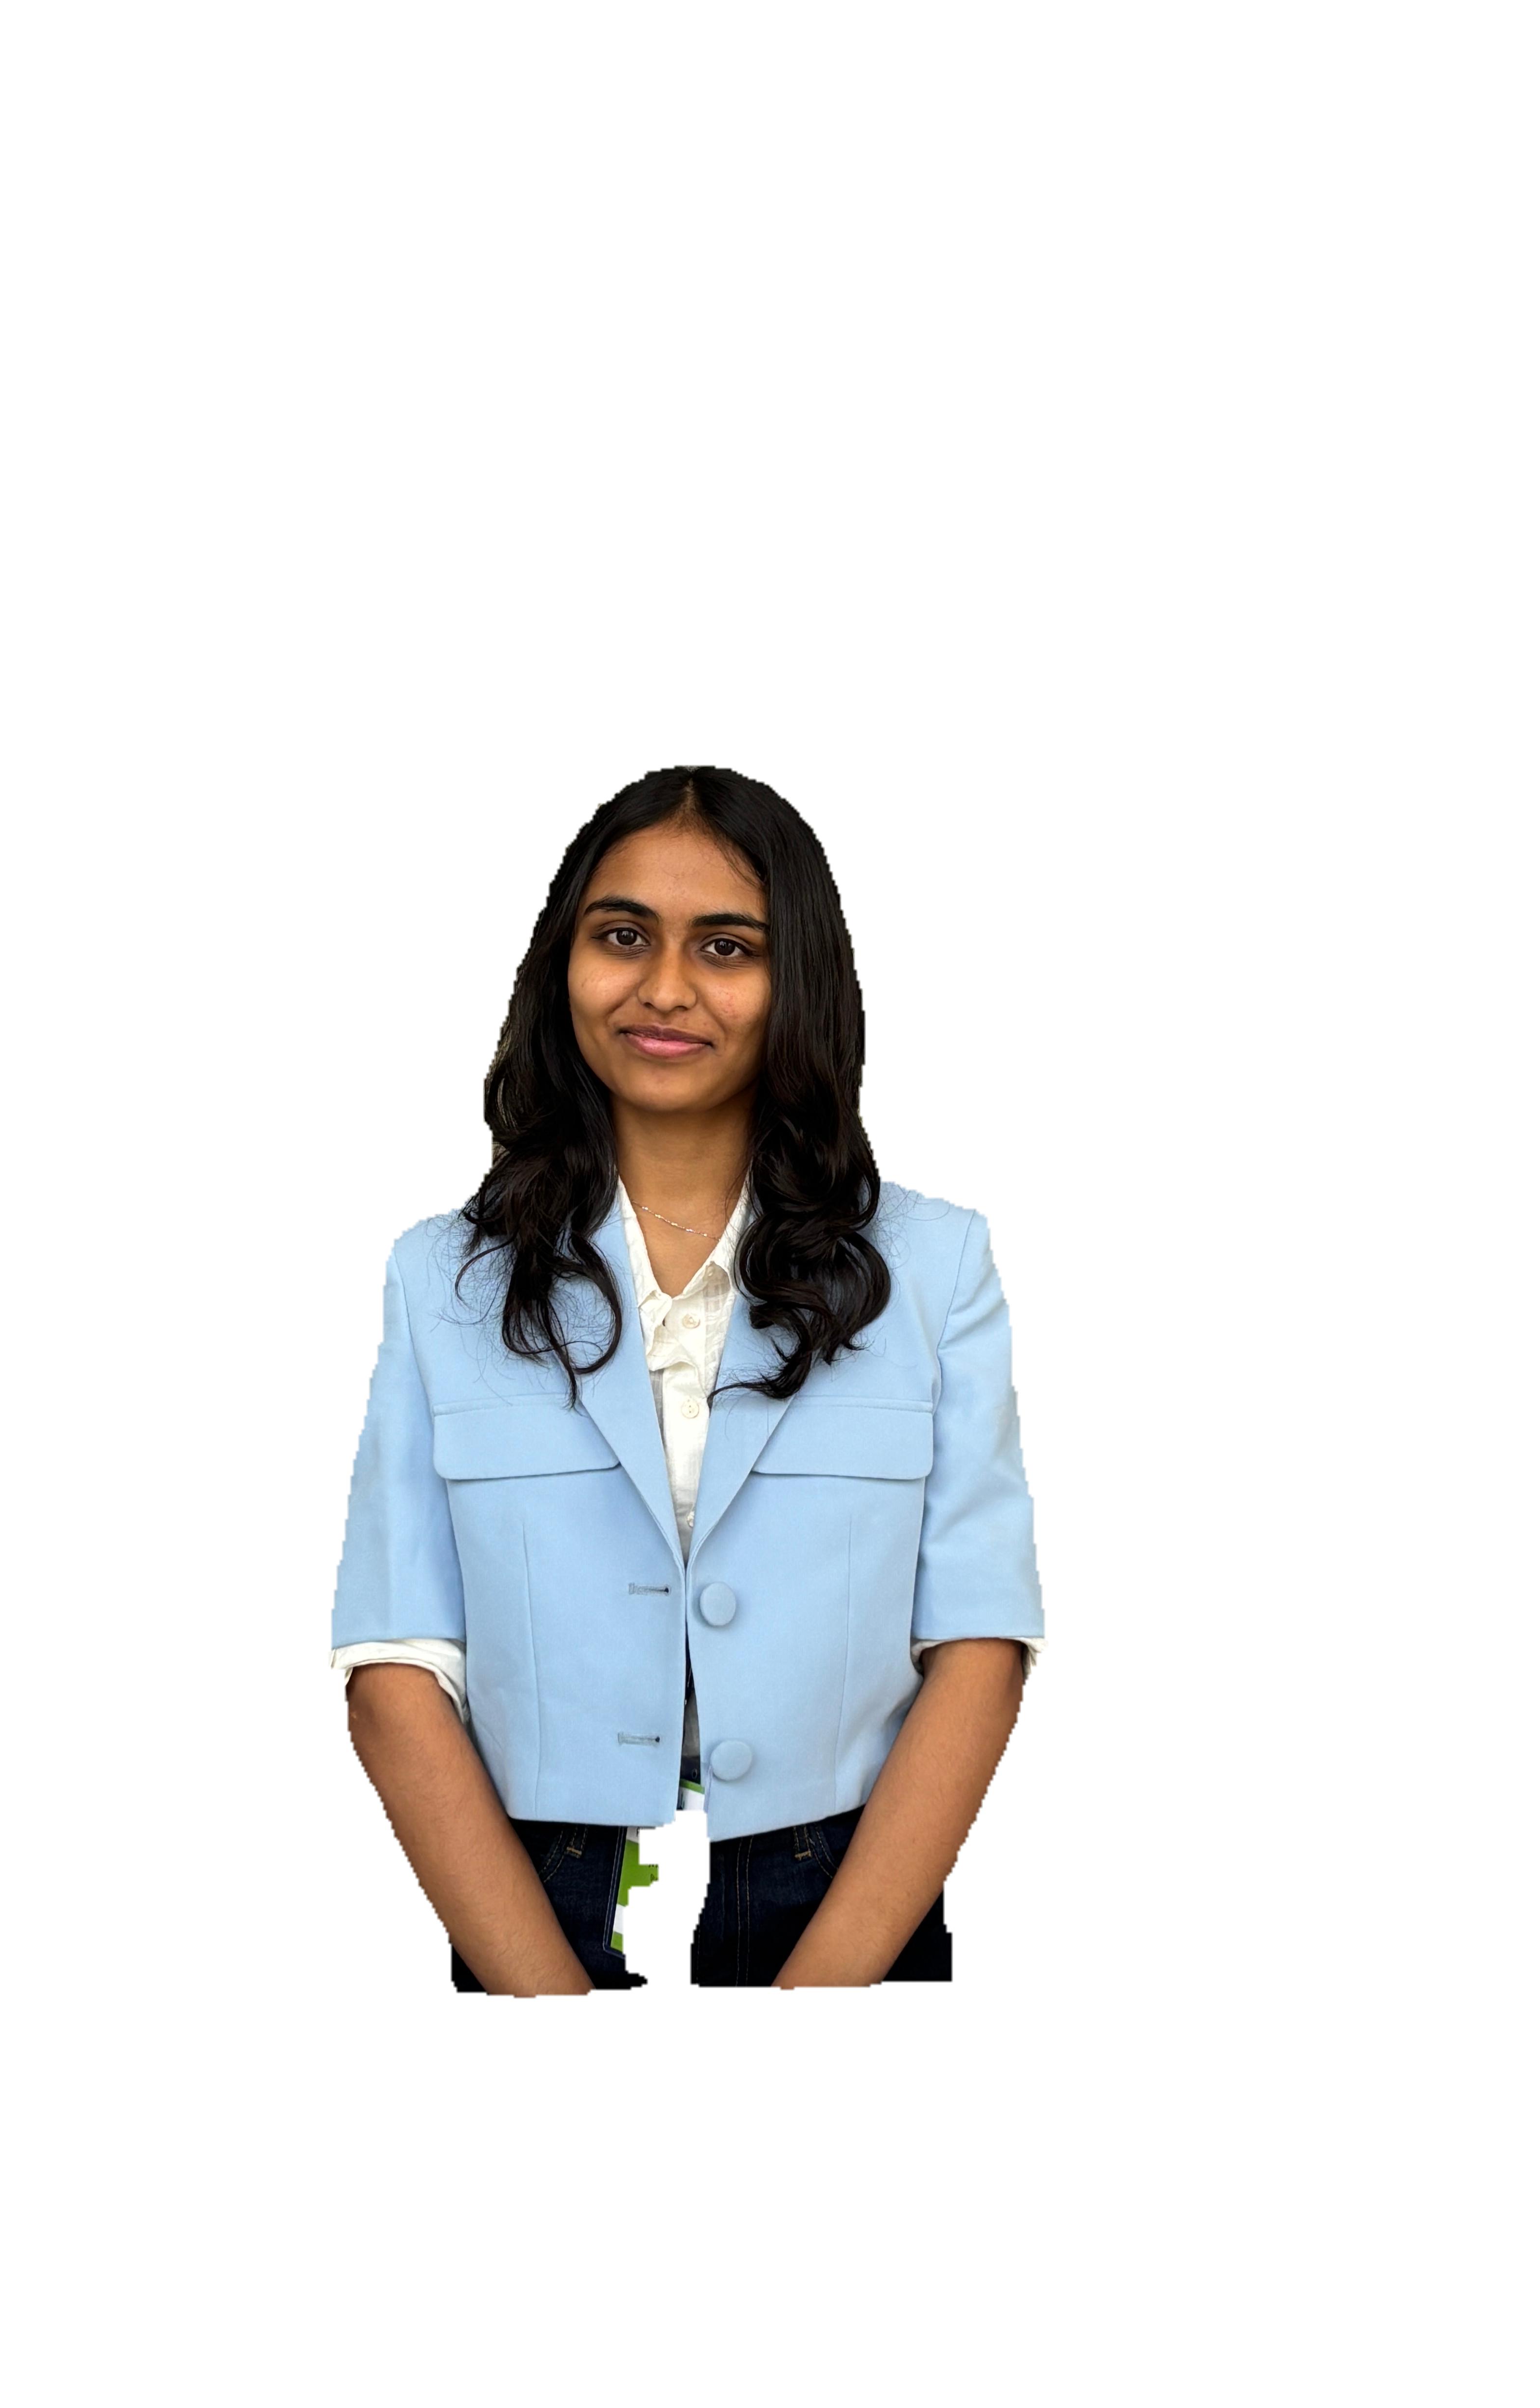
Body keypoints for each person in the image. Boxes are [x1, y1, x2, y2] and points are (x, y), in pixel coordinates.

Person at [330, 764, 1044, 1990]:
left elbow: (979, 1643)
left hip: (848, 1898)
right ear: (562, 963)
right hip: (530, 1900)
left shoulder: (936, 1267)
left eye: (726, 947)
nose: (665, 989)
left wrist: (818, 2004)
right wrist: (546, 2005)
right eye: (622, 937)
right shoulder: (439, 1277)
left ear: (798, 979)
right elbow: (394, 1666)